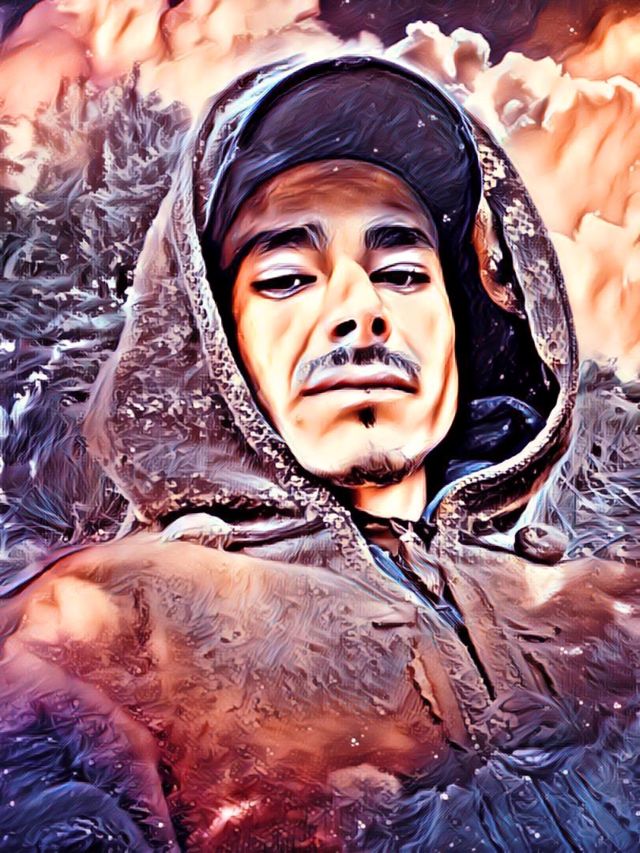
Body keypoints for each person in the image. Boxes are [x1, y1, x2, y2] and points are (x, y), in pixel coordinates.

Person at [0, 56, 637, 851]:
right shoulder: (103, 627)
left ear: (465, 321)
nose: (359, 309)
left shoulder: (607, 614)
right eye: (286, 279)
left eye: (401, 271)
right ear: (209, 340)